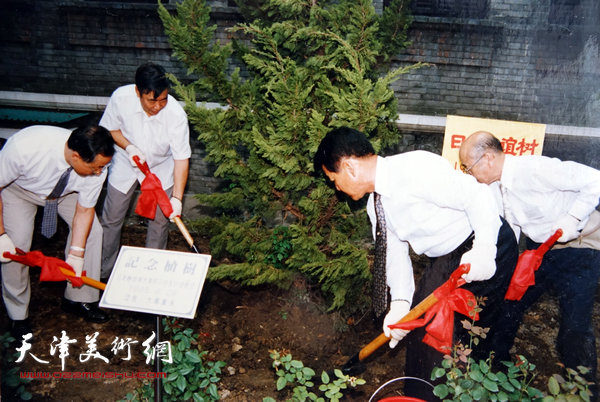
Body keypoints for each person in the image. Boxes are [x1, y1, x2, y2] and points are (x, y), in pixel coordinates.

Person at [313, 126, 518, 399]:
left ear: (349, 167)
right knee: (421, 329)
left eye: (333, 178)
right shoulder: (376, 206)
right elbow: (394, 256)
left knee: (458, 336)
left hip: (487, 244)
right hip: (448, 256)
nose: (336, 187)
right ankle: (418, 397)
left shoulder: (414, 168)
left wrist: (484, 249)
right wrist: (399, 305)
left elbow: (477, 196)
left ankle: (472, 392)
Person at [459, 130, 600, 395]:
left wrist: (571, 218)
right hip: (540, 252)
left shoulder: (534, 169)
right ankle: (495, 371)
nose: (470, 174)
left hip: (579, 250)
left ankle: (585, 392)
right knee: (510, 303)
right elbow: (511, 228)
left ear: (488, 158)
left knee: (575, 325)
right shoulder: (495, 186)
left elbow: (596, 180)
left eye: (470, 167)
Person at [0, 124, 115, 339]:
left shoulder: (97, 165)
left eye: (103, 167)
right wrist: (0, 234)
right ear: (76, 156)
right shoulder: (23, 148)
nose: (100, 172)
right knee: (16, 247)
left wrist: (76, 254)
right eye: (95, 168)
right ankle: (17, 315)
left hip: (65, 193)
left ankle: (79, 298)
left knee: (92, 233)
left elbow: (85, 209)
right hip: (19, 190)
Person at [99, 62, 191, 279]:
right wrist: (128, 147)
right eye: (152, 100)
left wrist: (177, 198)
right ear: (138, 91)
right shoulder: (121, 98)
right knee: (112, 217)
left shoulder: (176, 115)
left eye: (163, 99)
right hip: (126, 161)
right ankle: (104, 272)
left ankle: (151, 275)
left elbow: (181, 158)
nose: (158, 106)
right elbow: (110, 128)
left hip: (161, 166)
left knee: (160, 222)